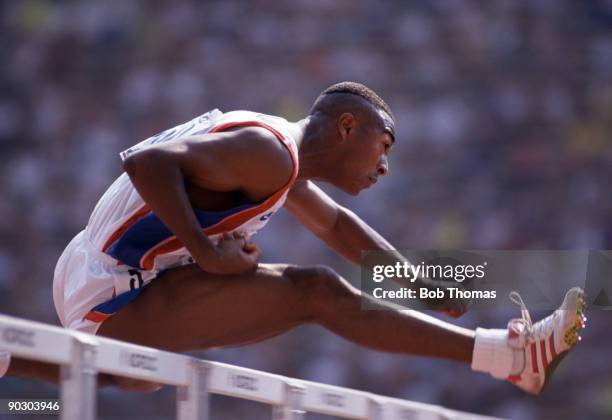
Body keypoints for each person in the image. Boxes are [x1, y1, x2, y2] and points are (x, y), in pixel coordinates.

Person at [0, 82, 586, 394]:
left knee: (144, 375)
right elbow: (147, 164)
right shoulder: (271, 154)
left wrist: (419, 282)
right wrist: (206, 253)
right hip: (110, 286)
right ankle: (509, 357)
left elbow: (335, 226)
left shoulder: (280, 160)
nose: (384, 169)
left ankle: (8, 357)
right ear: (348, 127)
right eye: (384, 149)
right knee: (315, 293)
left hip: (98, 270)